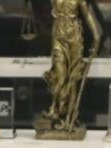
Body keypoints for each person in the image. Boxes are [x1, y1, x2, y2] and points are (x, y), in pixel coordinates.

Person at [41, 0, 101, 132]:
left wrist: (96, 35)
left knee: (73, 80)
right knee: (60, 77)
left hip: (74, 38)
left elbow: (88, 14)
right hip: (58, 37)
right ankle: (55, 109)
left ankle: (69, 117)